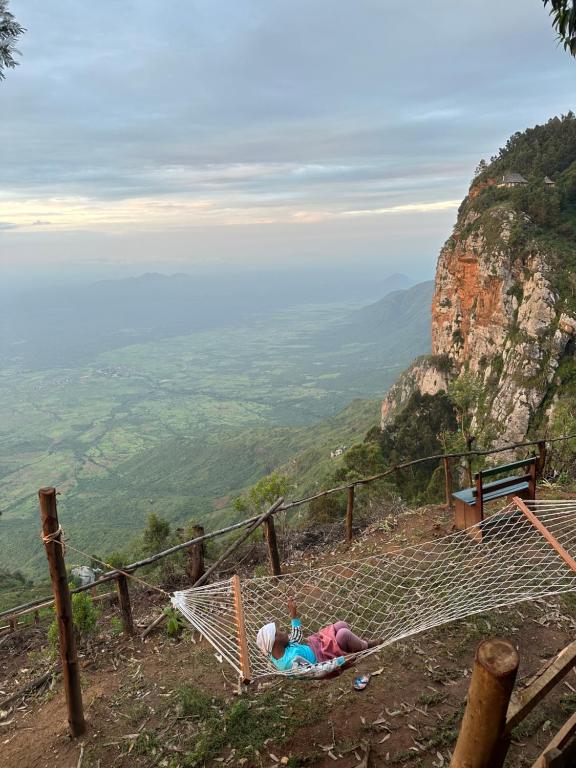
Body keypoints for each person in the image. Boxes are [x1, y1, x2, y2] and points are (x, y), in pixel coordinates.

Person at [255, 598, 381, 678]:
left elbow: (296, 637)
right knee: (343, 634)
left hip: (317, 645)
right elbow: (316, 671)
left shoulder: (278, 650)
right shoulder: (290, 663)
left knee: (341, 625)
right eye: (280, 632)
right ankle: (366, 646)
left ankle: (354, 645)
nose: (284, 632)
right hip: (324, 658)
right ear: (275, 640)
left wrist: (294, 615)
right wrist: (341, 661)